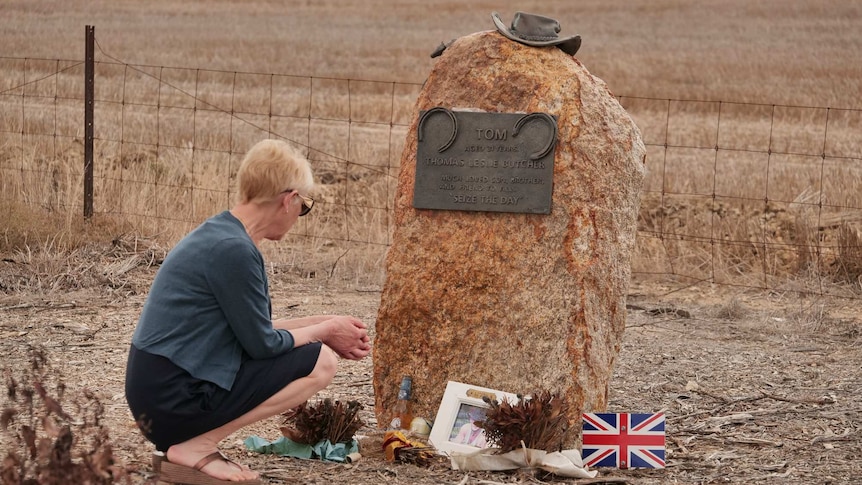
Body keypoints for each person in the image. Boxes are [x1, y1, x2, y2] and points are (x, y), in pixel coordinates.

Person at [124, 139, 371, 484]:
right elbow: (263, 345)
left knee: (315, 347)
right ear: (289, 200)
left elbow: (252, 330)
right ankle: (198, 445)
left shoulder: (222, 235)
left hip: (159, 391)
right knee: (321, 361)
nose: (301, 214)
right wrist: (324, 332)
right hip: (172, 398)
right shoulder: (233, 250)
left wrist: (325, 323)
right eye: (305, 205)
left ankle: (190, 442)